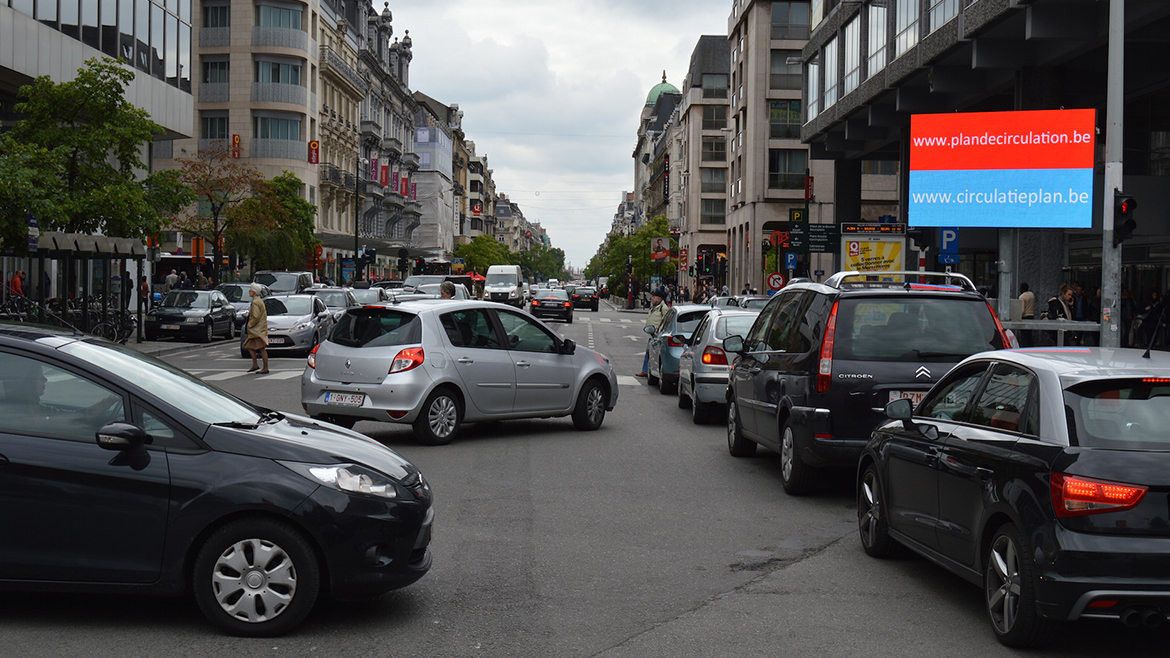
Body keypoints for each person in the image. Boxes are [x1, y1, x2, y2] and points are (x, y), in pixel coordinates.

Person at [636, 287, 669, 378]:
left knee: (651, 353)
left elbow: (666, 321)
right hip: (652, 334)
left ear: (659, 298)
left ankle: (646, 370)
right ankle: (646, 370)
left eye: (654, 297)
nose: (652, 298)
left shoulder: (663, 308)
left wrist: (659, 331)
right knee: (649, 352)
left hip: (657, 335)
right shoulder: (654, 307)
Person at [244, 283, 270, 374]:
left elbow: (255, 316)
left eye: (250, 290)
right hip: (260, 329)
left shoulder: (255, 302)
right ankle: (256, 365)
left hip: (256, 330)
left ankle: (264, 367)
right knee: (250, 346)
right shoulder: (259, 301)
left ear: (254, 292)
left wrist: (249, 325)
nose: (249, 292)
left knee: (260, 348)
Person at [1018, 283, 1035, 347]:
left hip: (1025, 317)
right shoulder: (1032, 295)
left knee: (1024, 337)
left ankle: (1025, 348)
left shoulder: (1022, 297)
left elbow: (1022, 310)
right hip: (1031, 316)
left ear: (1022, 289)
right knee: (1029, 336)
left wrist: (1019, 318)